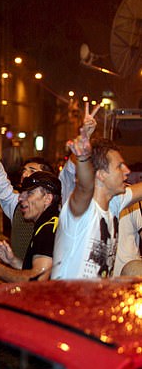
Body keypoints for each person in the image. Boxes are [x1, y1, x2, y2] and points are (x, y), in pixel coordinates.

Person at [52, 110, 142, 279]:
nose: (127, 171)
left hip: (94, 302)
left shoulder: (114, 204)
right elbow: (85, 187)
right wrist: (84, 158)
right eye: (119, 167)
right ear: (101, 175)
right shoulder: (81, 209)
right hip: (68, 303)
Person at [0, 99, 59, 261]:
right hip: (18, 279)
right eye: (24, 171)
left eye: (32, 171)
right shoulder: (16, 204)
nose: (25, 174)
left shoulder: (60, 210)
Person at [0, 171, 61, 282]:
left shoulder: (49, 228)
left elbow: (38, 278)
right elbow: (40, 271)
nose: (20, 198)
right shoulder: (46, 224)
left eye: (29, 193)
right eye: (22, 193)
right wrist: (12, 261)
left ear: (47, 198)